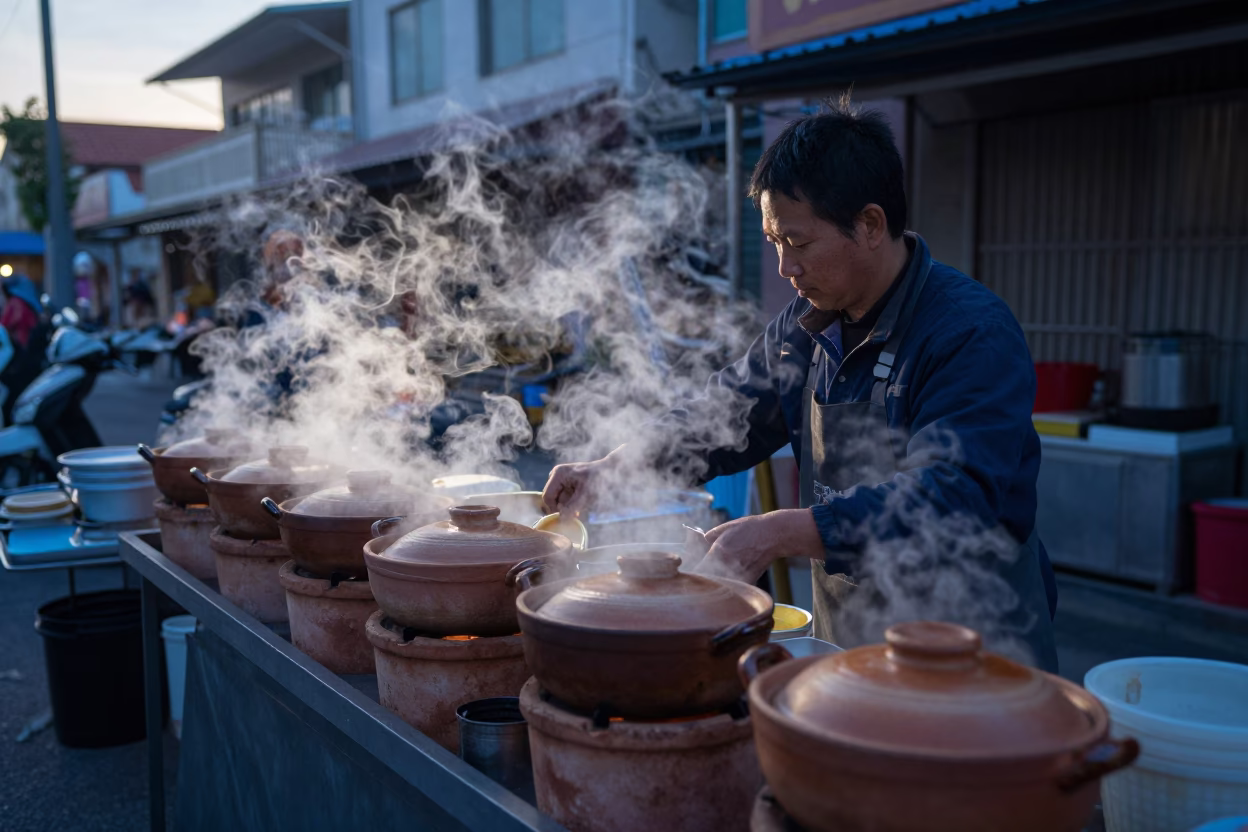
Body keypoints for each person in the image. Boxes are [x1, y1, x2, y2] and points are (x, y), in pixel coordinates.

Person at [541, 99, 1059, 671]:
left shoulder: (969, 333)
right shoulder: (806, 325)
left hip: (973, 651)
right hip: (852, 640)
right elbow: (727, 412)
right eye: (775, 244)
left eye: (799, 242)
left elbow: (954, 496)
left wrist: (782, 531)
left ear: (869, 224)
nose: (786, 267)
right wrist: (617, 466)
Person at [0, 275, 49, 424]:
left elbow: (5, 325)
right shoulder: (30, 304)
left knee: (11, 397)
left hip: (18, 358)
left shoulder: (16, 303)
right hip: (27, 357)